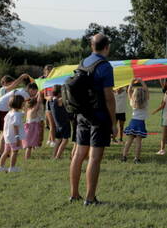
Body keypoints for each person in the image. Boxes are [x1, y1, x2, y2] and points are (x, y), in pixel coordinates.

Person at [69, 33, 117, 206]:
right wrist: (112, 123)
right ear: (107, 47)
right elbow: (109, 98)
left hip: (82, 114)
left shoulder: (83, 63)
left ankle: (74, 194)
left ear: (92, 46)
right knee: (94, 157)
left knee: (78, 154)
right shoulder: (105, 66)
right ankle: (90, 198)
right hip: (99, 116)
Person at [0, 82, 40, 159]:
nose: (35, 93)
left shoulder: (22, 91)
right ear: (31, 89)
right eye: (35, 91)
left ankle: (3, 152)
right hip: (0, 108)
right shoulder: (25, 95)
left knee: (4, 131)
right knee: (4, 132)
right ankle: (1, 153)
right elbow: (26, 107)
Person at [122, 78, 149, 164]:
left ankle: (124, 156)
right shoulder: (145, 102)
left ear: (134, 95)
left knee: (129, 141)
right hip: (140, 123)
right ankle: (136, 158)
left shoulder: (132, 101)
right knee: (138, 142)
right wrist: (141, 81)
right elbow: (147, 90)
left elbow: (129, 90)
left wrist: (131, 82)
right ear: (144, 95)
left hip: (133, 122)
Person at [0, 95, 26, 173]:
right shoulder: (16, 115)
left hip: (8, 136)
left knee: (6, 151)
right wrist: (17, 137)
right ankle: (12, 167)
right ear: (19, 104)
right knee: (14, 152)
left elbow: (21, 115)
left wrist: (24, 110)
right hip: (14, 137)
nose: (24, 104)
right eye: (23, 103)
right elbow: (15, 126)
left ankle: (1, 167)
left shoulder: (10, 113)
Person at [50, 85, 71, 159]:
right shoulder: (58, 101)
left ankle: (54, 155)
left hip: (58, 124)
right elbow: (65, 97)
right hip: (64, 123)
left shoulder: (51, 100)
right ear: (59, 93)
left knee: (58, 140)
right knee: (65, 140)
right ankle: (57, 156)